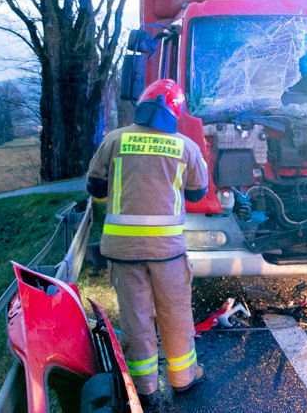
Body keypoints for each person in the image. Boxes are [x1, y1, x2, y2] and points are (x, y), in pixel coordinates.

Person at [86, 79, 209, 411]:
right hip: (167, 252)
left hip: (122, 252)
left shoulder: (114, 139)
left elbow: (95, 187)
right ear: (176, 111)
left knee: (136, 318)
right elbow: (198, 193)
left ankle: (145, 389)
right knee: (176, 314)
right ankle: (184, 378)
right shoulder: (185, 147)